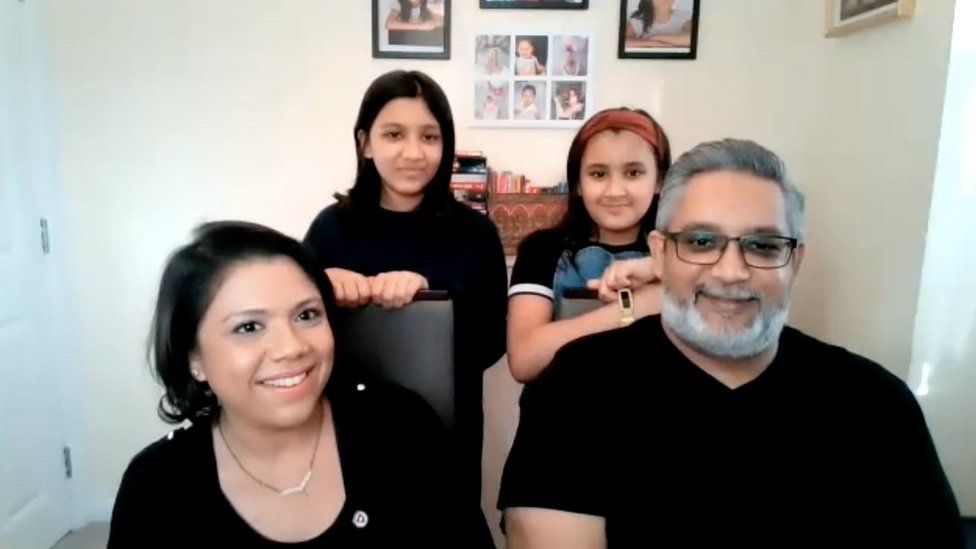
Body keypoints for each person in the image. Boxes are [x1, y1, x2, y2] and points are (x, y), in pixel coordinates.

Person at [498, 139, 965, 548]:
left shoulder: (875, 404)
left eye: (763, 246)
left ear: (794, 261)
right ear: (660, 253)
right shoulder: (576, 389)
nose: (731, 271)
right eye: (702, 241)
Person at [108, 221, 481, 547]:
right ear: (194, 359)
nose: (292, 347)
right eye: (249, 327)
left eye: (307, 315)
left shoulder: (401, 427)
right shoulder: (157, 486)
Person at [303, 70, 506, 546]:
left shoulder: (474, 233)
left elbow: (493, 341)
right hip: (341, 431)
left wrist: (432, 295)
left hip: (445, 431)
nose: (413, 153)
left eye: (430, 137)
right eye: (393, 134)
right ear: (365, 143)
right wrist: (320, 288)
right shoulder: (331, 228)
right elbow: (293, 329)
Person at [506, 107, 671, 383]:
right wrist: (635, 307)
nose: (615, 190)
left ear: (659, 181)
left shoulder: (680, 252)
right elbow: (524, 360)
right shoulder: (541, 249)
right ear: (578, 184)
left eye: (633, 173)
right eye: (598, 174)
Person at [626, 0, 693, 48]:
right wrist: (654, 44)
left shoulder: (684, 16)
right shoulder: (637, 21)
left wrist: (653, 38)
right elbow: (624, 42)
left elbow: (690, 38)